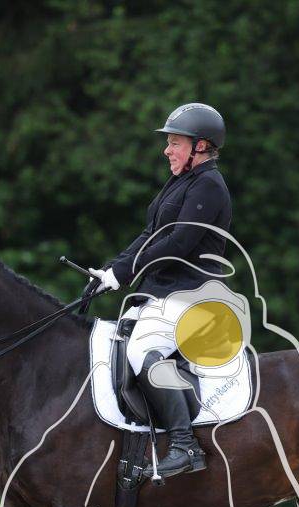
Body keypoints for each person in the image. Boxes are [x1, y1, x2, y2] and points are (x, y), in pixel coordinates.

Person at [89, 103, 232, 479]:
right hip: (164, 292)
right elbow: (150, 235)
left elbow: (179, 243)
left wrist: (125, 272)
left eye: (175, 143)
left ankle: (185, 446)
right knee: (115, 343)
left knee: (141, 351)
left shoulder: (208, 186)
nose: (167, 150)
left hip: (193, 294)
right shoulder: (181, 182)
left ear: (201, 146)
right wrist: (111, 270)